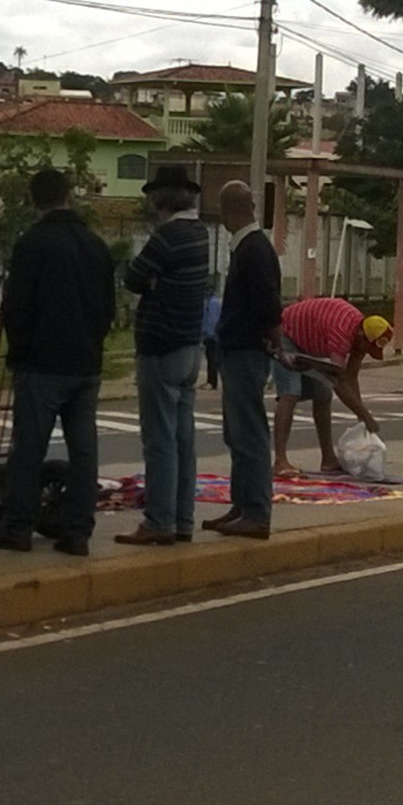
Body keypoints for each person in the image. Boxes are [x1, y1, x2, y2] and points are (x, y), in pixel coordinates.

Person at [0, 168, 116, 557]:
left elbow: (18, 306)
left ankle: (18, 528)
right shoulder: (96, 245)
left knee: (29, 449)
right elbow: (108, 308)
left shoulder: (32, 244)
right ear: (68, 196)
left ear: (35, 200)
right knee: (84, 451)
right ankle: (77, 532)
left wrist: (20, 351)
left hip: (42, 363)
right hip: (86, 363)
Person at [115, 165, 211, 547]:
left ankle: (159, 520)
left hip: (161, 345)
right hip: (190, 344)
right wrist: (156, 281)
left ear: (161, 200)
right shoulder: (200, 232)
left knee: (159, 440)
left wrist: (154, 282)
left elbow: (133, 278)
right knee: (183, 438)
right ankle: (183, 519)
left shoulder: (167, 236)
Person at [203, 181, 284, 539]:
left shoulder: (252, 249)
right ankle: (242, 504)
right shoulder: (249, 246)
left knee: (248, 432)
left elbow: (267, 303)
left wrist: (275, 340)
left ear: (226, 211)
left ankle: (256, 510)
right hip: (239, 350)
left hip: (246, 351)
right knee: (236, 433)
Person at [271, 297, 391, 478]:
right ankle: (280, 461)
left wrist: (361, 415)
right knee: (291, 392)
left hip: (307, 343)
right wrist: (366, 416)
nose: (364, 352)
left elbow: (351, 377)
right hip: (286, 334)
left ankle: (328, 460)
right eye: (367, 348)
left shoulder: (360, 335)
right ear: (362, 337)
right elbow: (339, 381)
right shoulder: (342, 332)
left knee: (323, 394)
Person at [202, 288, 222, 389]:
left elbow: (213, 319)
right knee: (210, 358)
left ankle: (212, 381)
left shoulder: (212, 302)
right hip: (210, 335)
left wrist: (210, 333)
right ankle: (210, 380)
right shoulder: (211, 302)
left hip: (212, 336)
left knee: (212, 359)